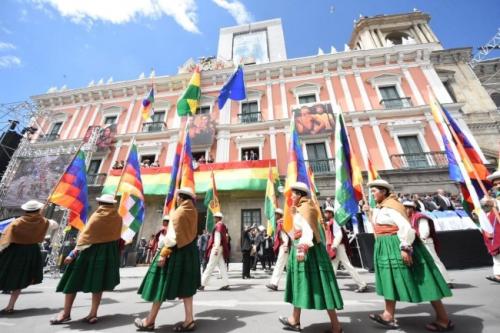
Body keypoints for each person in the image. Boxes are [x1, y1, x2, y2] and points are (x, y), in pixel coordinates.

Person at [366, 179, 453, 331]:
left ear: (383, 191)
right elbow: (378, 224)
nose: (371, 194)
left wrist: (405, 248)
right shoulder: (381, 207)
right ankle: (388, 315)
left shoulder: (392, 207)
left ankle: (443, 318)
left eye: (374, 191)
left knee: (424, 280)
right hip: (385, 247)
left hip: (397, 245)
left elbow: (406, 227)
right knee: (390, 279)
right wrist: (369, 211)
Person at [279, 182, 343, 333]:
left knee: (321, 286)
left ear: (300, 195)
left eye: (293, 194)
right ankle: (295, 320)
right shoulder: (302, 208)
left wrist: (302, 249)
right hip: (305, 248)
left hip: (308, 251)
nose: (291, 196)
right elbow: (299, 231)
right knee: (302, 283)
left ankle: (336, 326)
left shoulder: (305, 208)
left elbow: (307, 231)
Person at [50, 194, 122, 325]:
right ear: (112, 205)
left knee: (72, 280)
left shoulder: (97, 216)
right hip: (106, 254)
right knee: (98, 284)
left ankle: (66, 313)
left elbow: (86, 236)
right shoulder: (118, 218)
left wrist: (73, 252)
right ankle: (93, 314)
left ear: (100, 203)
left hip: (89, 252)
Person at [135, 188, 200, 332]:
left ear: (181, 198)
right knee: (186, 286)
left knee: (161, 284)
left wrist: (163, 253)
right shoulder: (193, 212)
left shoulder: (178, 213)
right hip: (189, 252)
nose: (176, 200)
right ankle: (189, 320)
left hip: (175, 251)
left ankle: (149, 321)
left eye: (178, 197)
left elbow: (172, 238)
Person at [0, 200, 58, 313]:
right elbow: (55, 224)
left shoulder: (17, 223)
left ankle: (9, 306)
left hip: (13, 251)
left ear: (25, 210)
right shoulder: (45, 222)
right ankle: (10, 306)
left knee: (3, 274)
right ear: (38, 210)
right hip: (31, 252)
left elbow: (5, 240)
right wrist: (40, 218)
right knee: (19, 278)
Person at [403, 201, 453, 288]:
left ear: (411, 208)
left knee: (435, 261)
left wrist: (421, 238)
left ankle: (447, 281)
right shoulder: (409, 218)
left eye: (406, 208)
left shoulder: (420, 216)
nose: (404, 211)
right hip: (416, 243)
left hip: (425, 242)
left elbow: (425, 231)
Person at [325, 206, 368, 293]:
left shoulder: (335, 222)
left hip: (337, 247)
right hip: (335, 246)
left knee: (347, 266)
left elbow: (339, 234)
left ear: (330, 213)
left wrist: (334, 246)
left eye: (327, 212)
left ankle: (362, 284)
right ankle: (330, 286)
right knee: (333, 266)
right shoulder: (331, 222)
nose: (325, 214)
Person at [199, 212, 230, 291]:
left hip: (216, 247)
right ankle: (226, 283)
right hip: (220, 247)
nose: (214, 219)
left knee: (210, 266)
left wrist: (215, 248)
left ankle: (202, 283)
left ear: (217, 218)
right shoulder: (223, 226)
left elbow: (217, 238)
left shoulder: (218, 226)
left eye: (215, 217)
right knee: (222, 266)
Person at [266, 209, 290, 291]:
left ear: (279, 215)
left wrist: (286, 245)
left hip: (284, 246)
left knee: (279, 265)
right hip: (285, 246)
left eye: (276, 214)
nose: (275, 216)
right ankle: (293, 283)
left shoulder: (280, 223)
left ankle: (274, 283)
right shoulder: (281, 222)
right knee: (289, 266)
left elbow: (285, 235)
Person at [480, 197, 500, 283]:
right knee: (497, 259)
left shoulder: (496, 214)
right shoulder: (487, 216)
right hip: (494, 240)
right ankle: (497, 275)